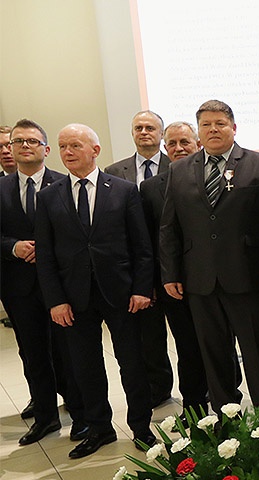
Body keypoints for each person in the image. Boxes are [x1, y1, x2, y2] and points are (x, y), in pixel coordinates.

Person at [34, 123, 156, 458]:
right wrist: (55, 300)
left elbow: (141, 247)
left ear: (95, 150)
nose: (68, 152)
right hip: (74, 298)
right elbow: (45, 254)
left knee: (132, 363)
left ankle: (141, 427)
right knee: (84, 367)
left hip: (121, 294)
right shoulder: (48, 196)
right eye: (62, 147)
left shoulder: (123, 190)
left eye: (75, 145)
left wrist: (142, 289)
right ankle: (99, 428)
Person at [159, 100, 259, 413]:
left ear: (234, 127)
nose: (213, 129)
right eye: (206, 125)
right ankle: (226, 420)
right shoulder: (178, 170)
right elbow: (169, 227)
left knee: (258, 353)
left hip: (248, 276)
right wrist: (171, 274)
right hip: (200, 279)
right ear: (199, 131)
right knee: (213, 355)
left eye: (220, 123)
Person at [1, 119, 85, 445]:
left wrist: (50, 252)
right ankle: (46, 418)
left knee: (69, 353)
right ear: (10, 148)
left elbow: (81, 235)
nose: (24, 146)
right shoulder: (1, 189)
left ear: (46, 149)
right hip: (19, 287)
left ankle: (81, 417)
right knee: (33, 354)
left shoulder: (67, 184)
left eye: (32, 141)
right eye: (18, 141)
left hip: (62, 286)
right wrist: (13, 247)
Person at [139, 122, 212, 420]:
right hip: (174, 285)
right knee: (188, 349)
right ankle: (194, 408)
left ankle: (225, 402)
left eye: (185, 142)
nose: (179, 148)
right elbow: (148, 241)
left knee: (219, 346)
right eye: (172, 143)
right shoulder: (150, 188)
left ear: (197, 144)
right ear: (164, 148)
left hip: (213, 281)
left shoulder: (213, 178)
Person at [105, 110, 174, 408]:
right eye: (138, 128)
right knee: (149, 335)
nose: (144, 132)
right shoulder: (113, 172)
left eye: (150, 128)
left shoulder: (181, 165)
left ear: (160, 134)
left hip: (175, 265)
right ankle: (158, 390)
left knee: (190, 334)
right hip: (137, 269)